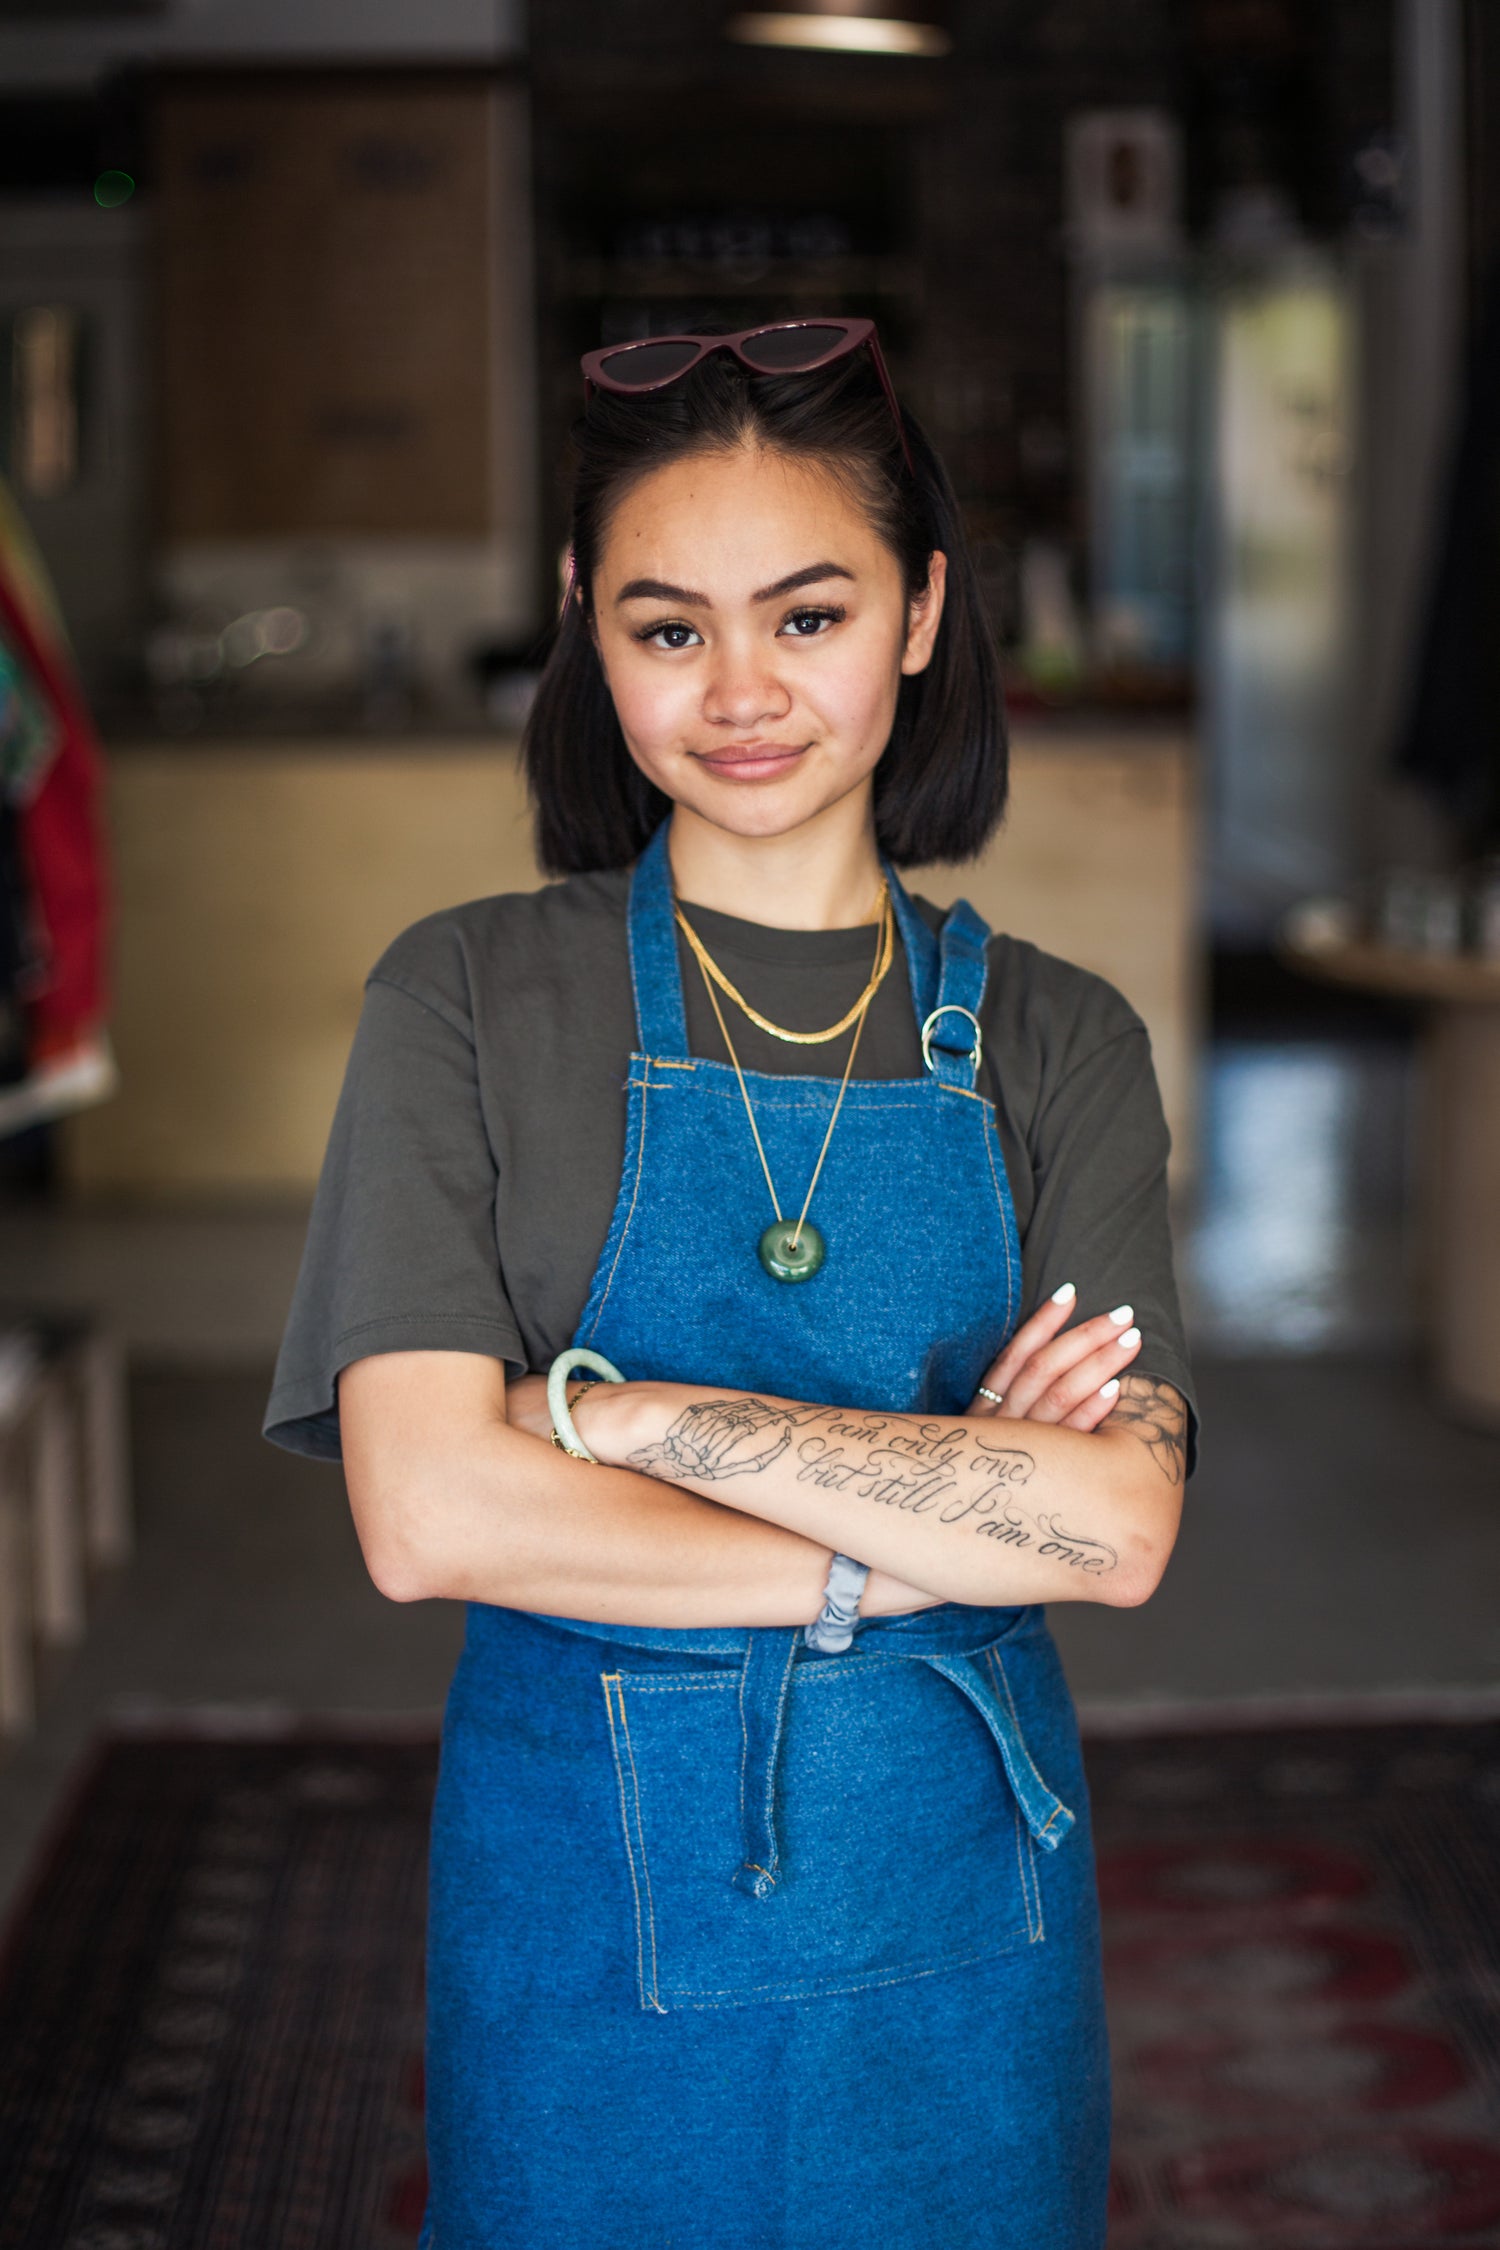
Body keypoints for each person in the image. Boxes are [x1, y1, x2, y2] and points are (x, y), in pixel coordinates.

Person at [263, 317, 1197, 2250]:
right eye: (669, 626)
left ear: (924, 613)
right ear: (583, 629)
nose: (742, 690)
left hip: (963, 1919)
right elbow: (427, 1511)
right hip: (578, 1915)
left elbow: (1115, 1527)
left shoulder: (1060, 1038)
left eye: (811, 613)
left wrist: (623, 1418)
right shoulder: (463, 994)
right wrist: (937, 1524)